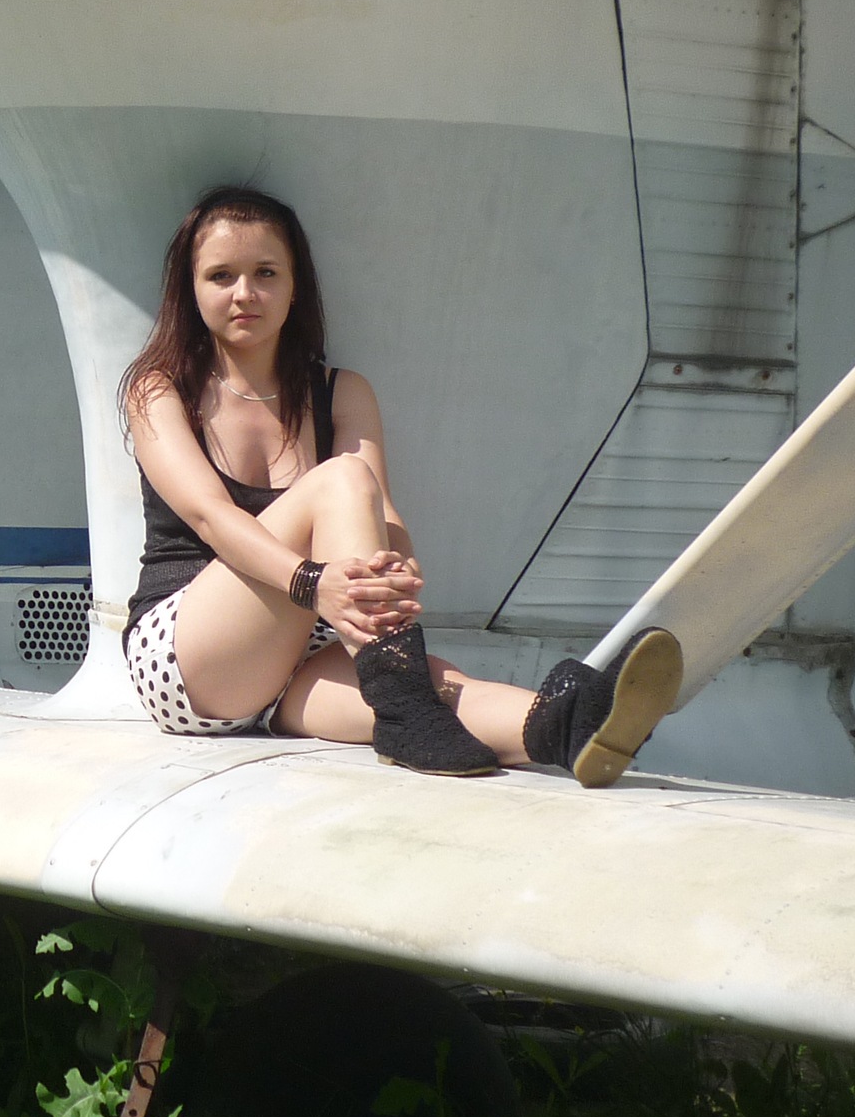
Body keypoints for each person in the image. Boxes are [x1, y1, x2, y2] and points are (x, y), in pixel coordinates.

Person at [119, 185, 679, 782]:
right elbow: (209, 515)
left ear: (294, 285)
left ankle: (569, 724)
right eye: (221, 276)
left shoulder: (340, 393)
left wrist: (396, 569)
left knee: (443, 689)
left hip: (302, 655)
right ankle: (405, 707)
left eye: (266, 273)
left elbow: (380, 512)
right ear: (191, 288)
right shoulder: (159, 389)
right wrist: (313, 583)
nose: (245, 293)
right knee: (342, 480)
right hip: (190, 656)